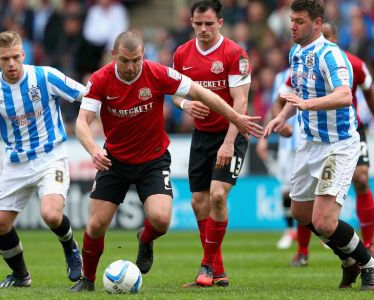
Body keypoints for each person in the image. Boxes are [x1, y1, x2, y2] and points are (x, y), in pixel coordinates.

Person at [70, 31, 263, 292]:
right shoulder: (101, 79)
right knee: (96, 224)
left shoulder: (157, 73)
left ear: (143, 55)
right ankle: (87, 280)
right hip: (113, 160)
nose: (131, 67)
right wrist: (93, 149)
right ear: (114, 56)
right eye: (125, 61)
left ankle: (145, 239)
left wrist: (236, 118)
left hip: (153, 159)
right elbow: (83, 122)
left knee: (161, 220)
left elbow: (201, 92)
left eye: (136, 60)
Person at [264, 0, 374, 290]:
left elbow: (344, 95)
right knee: (301, 214)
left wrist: (308, 104)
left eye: (299, 21)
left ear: (317, 23)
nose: (292, 25)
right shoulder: (295, 52)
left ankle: (369, 264)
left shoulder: (331, 55)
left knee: (326, 222)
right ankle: (348, 260)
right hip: (309, 143)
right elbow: (294, 91)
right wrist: (282, 116)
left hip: (338, 144)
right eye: (291, 20)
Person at [0, 31, 85, 288]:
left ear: (24, 55)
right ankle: (21, 277)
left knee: (50, 214)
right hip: (16, 162)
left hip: (51, 156)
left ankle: (70, 248)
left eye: (16, 57)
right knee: (0, 224)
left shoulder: (45, 76)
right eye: (5, 59)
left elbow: (85, 94)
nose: (12, 64)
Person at [288, 22, 374, 267]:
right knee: (303, 207)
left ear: (335, 37)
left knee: (361, 178)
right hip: (313, 136)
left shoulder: (352, 63)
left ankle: (368, 246)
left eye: (327, 35)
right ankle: (307, 250)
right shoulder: (302, 56)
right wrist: (280, 117)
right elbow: (292, 92)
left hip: (347, 132)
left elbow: (369, 94)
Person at [171, 0, 252, 287]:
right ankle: (218, 271)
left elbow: (240, 101)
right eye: (197, 24)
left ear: (220, 22)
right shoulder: (182, 54)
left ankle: (206, 267)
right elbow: (174, 93)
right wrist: (184, 105)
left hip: (231, 133)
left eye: (208, 23)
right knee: (198, 202)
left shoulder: (234, 53)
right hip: (201, 137)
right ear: (191, 22)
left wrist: (229, 143)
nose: (203, 29)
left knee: (218, 196)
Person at [256, 69, 299, 251]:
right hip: (287, 145)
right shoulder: (282, 77)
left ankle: (323, 234)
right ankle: (289, 230)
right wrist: (262, 138)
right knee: (286, 191)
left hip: (313, 141)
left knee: (316, 191)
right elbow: (276, 106)